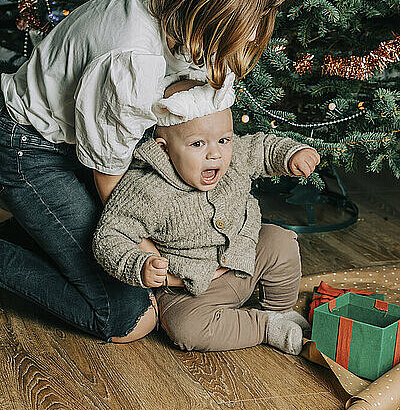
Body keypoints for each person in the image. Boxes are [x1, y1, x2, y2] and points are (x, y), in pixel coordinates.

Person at [0, 0, 296, 342]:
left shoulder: (175, 3)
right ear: (215, 2)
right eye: (251, 20)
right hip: (30, 148)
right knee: (128, 319)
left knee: (88, 248)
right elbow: (113, 180)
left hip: (83, 141)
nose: (254, 34)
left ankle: (42, 230)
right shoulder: (134, 57)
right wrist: (158, 260)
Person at [92, 76, 320, 353]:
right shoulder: (147, 190)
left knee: (280, 241)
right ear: (165, 150)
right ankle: (265, 326)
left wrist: (291, 154)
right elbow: (110, 235)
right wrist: (139, 265)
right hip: (190, 291)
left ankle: (280, 309)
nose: (215, 154)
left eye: (223, 140)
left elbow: (261, 147)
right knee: (185, 327)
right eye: (198, 144)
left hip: (244, 260)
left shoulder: (232, 156)